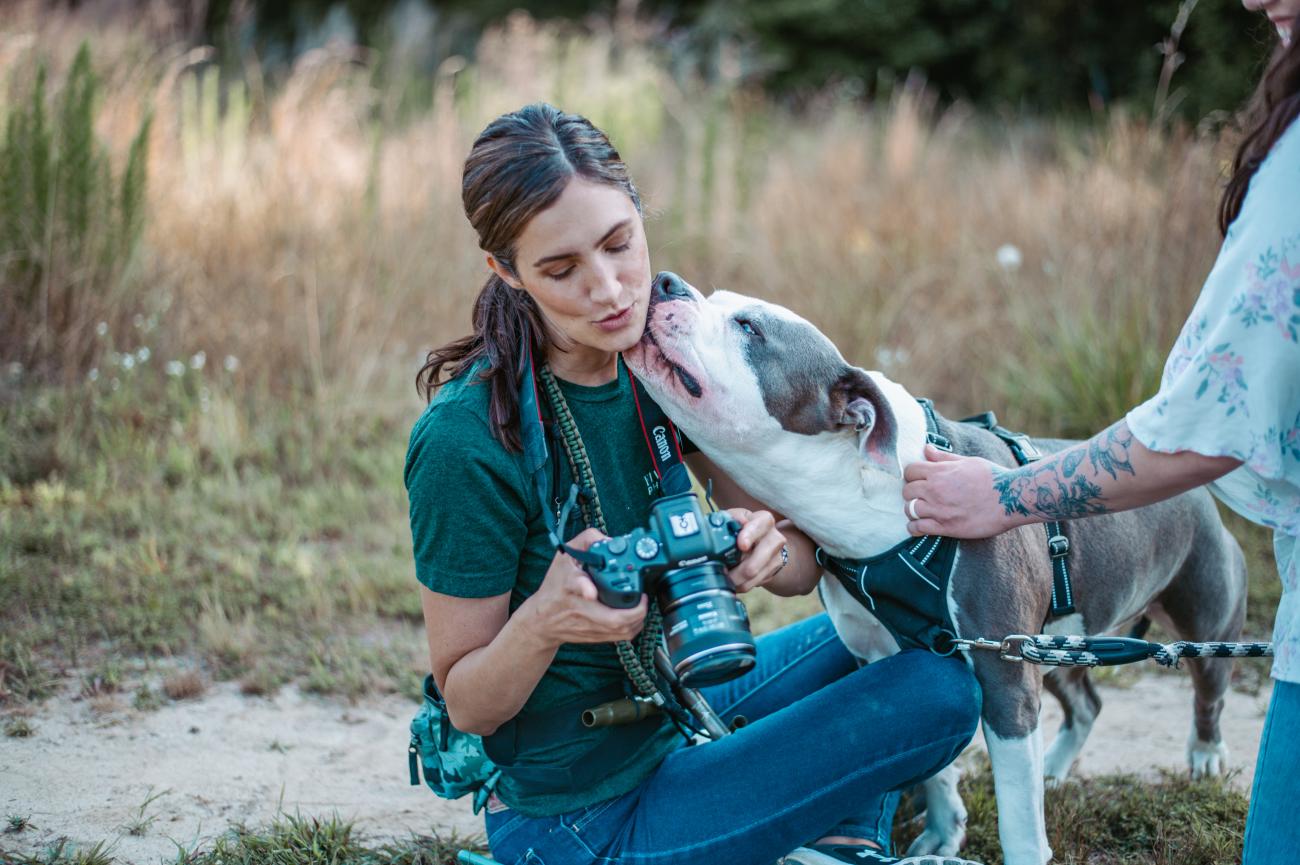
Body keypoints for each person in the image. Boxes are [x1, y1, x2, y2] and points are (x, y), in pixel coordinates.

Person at [405, 103, 985, 865]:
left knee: (917, 646)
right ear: (506, 271)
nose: (610, 290)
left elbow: (801, 571)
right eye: (561, 268)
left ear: (641, 215)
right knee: (936, 702)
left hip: (683, 704)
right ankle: (831, 833)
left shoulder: (663, 362)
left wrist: (761, 549)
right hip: (581, 817)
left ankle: (826, 833)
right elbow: (471, 702)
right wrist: (546, 617)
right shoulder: (466, 438)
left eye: (620, 244)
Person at [899, 3, 1299, 863]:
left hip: (1185, 516)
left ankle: (1205, 725)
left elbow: (1207, 425)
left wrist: (1004, 493)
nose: (1257, 3)